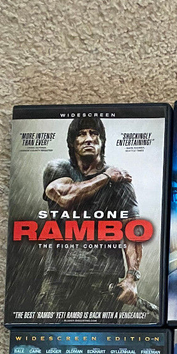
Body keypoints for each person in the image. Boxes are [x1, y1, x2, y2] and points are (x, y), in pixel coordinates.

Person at [37, 116, 144, 314]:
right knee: (47, 331)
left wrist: (131, 278)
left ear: (101, 141)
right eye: (81, 134)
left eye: (94, 133)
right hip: (60, 275)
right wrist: (105, 177)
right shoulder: (58, 169)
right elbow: (66, 197)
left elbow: (133, 233)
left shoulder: (121, 181)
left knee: (101, 333)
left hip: (104, 278)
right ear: (72, 142)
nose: (88, 139)